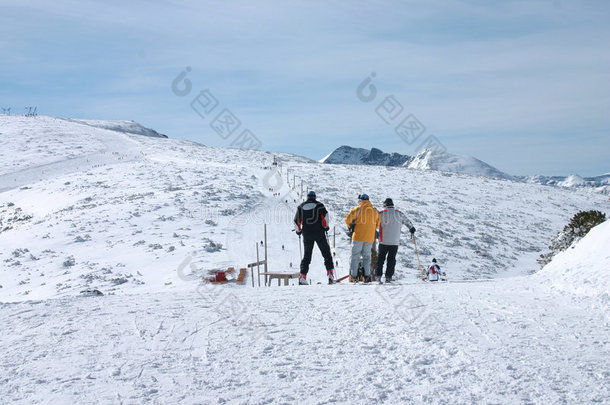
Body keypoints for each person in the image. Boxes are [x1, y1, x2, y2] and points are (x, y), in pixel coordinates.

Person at [294, 191, 335, 285]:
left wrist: (298, 230)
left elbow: (296, 221)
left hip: (307, 234)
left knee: (307, 256)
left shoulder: (300, 207)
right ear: (315, 197)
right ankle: (330, 275)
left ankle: (302, 277)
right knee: (326, 253)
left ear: (307, 197)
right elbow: (325, 216)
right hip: (319, 232)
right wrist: (326, 227)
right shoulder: (319, 205)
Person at [376, 198, 415, 283]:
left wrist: (375, 233)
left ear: (385, 205)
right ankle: (388, 277)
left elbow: (374, 224)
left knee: (380, 259)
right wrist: (411, 229)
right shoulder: (399, 214)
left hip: (383, 240)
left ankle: (378, 276)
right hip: (394, 241)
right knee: (391, 260)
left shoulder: (381, 213)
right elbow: (408, 222)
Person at [345, 194, 380, 283]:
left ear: (361, 200)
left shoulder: (358, 209)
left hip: (358, 236)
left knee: (355, 256)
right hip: (369, 238)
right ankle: (367, 276)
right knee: (367, 257)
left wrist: (350, 227)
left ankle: (354, 276)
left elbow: (348, 219)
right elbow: (378, 224)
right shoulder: (375, 211)